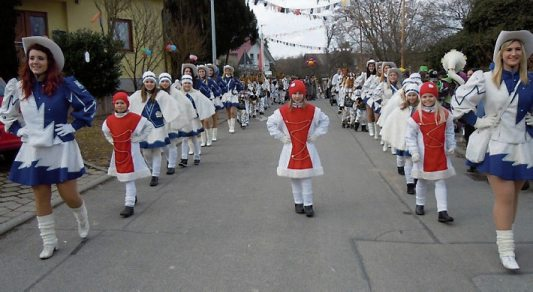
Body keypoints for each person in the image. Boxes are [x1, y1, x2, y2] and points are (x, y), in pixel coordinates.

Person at [0, 36, 95, 259]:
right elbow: (7, 115)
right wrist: (18, 130)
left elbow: (89, 103)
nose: (35, 62)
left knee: (69, 196)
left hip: (60, 147)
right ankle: (49, 241)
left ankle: (81, 217)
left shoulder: (65, 85)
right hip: (34, 149)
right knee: (41, 196)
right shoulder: (20, 87)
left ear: (49, 61)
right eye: (32, 58)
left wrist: (75, 126)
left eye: (40, 58)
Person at [452, 30, 533, 271]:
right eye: (509, 49)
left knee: (514, 195)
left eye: (518, 49)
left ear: (524, 53)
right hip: (496, 144)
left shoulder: (529, 80)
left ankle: (505, 237)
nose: (513, 53)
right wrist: (476, 122)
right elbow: (458, 102)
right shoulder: (485, 78)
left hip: (523, 144)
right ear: (500, 53)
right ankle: (506, 248)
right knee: (505, 195)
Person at [266, 80, 329, 217]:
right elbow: (270, 123)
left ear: (304, 94)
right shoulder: (282, 111)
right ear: (290, 94)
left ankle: (308, 204)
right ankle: (298, 202)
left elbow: (325, 120)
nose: (297, 96)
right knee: (294, 177)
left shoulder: (313, 110)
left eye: (300, 93)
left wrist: (316, 134)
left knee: (306, 177)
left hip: (307, 148)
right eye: (295, 93)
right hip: (290, 150)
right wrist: (281, 137)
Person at [405, 82, 456, 223]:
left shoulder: (445, 114)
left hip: (440, 153)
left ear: (436, 97)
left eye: (431, 96)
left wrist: (451, 145)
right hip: (422, 155)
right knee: (421, 180)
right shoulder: (416, 116)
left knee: (440, 181)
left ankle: (442, 211)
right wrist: (414, 151)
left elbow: (450, 131)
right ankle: (419, 204)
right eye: (425, 96)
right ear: (421, 98)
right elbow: (410, 136)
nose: (428, 99)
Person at [102, 92, 154, 217]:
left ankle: (129, 204)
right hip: (119, 152)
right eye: (117, 103)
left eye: (122, 103)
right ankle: (133, 196)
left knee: (129, 177)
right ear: (114, 104)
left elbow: (149, 126)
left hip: (132, 151)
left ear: (127, 104)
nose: (120, 105)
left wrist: (139, 138)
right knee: (126, 176)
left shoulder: (135, 118)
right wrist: (113, 141)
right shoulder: (109, 120)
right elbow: (106, 132)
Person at [129, 71, 179, 187]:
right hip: (144, 129)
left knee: (156, 151)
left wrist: (167, 116)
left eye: (151, 82)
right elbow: (128, 104)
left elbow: (172, 105)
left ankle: (155, 175)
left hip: (158, 127)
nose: (149, 84)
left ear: (155, 83)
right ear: (144, 83)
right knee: (146, 152)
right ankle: (151, 169)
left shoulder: (161, 94)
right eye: (147, 81)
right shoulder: (137, 95)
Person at [381, 83, 420, 194]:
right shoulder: (402, 108)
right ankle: (410, 184)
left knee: (417, 163)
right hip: (406, 141)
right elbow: (393, 121)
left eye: (414, 95)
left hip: (419, 140)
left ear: (417, 95)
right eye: (409, 95)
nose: (411, 97)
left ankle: (416, 180)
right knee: (408, 162)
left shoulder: (421, 109)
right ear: (406, 96)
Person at [158, 72, 196, 174]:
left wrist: (183, 114)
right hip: (160, 122)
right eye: (163, 81)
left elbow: (185, 103)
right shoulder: (156, 93)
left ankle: (171, 165)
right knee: (163, 145)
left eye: (167, 81)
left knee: (172, 143)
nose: (165, 83)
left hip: (172, 121)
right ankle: (169, 158)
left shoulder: (176, 93)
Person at [178, 74, 215, 167]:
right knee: (185, 139)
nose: (187, 85)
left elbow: (205, 103)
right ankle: (184, 158)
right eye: (185, 83)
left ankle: (197, 155)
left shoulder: (197, 94)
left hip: (194, 119)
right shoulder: (179, 94)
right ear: (182, 84)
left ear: (191, 84)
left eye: (188, 83)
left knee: (194, 138)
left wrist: (203, 114)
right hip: (184, 119)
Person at [221, 65, 244, 133]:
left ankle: (232, 127)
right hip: (225, 96)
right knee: (228, 112)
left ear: (231, 71)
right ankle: (229, 126)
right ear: (224, 71)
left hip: (233, 96)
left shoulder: (234, 79)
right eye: (226, 70)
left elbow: (240, 87)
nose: (227, 71)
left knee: (232, 112)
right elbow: (219, 87)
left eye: (229, 70)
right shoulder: (222, 79)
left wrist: (236, 91)